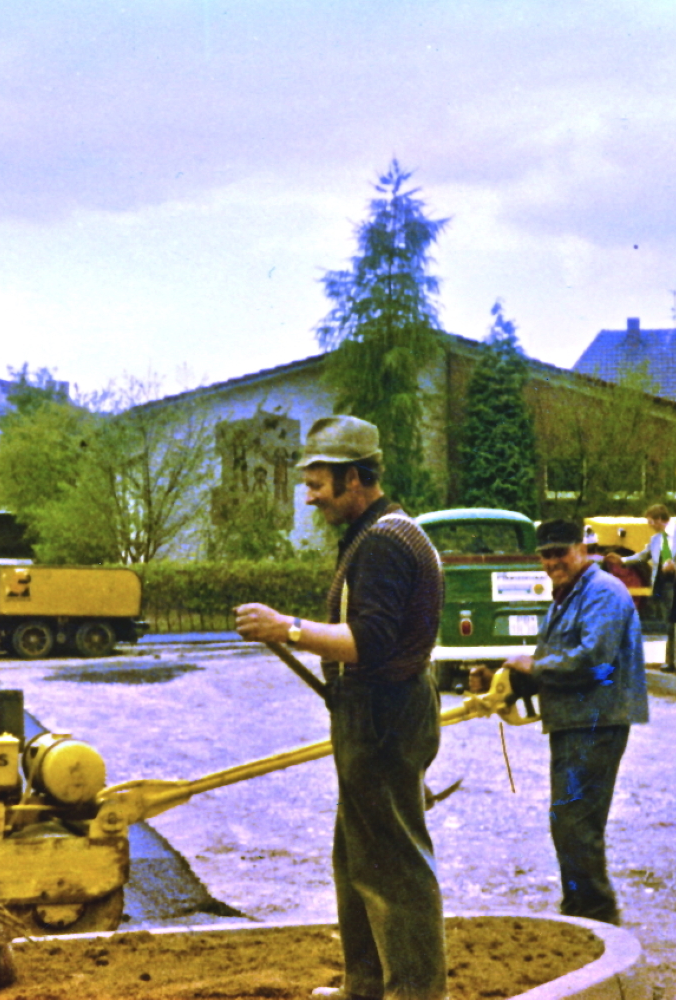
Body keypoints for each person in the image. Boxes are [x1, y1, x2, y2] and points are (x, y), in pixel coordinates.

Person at [234, 416, 446, 1000]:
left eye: (318, 482)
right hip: (379, 711)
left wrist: (288, 628)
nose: (309, 496)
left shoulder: (382, 543)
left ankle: (415, 993)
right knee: (358, 859)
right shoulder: (387, 532)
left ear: (355, 478)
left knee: (394, 867)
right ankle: (368, 986)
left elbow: (370, 640)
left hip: (381, 715)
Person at [505, 519, 649, 926]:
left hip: (596, 721)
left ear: (581, 549)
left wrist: (532, 668)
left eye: (561, 552)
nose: (553, 562)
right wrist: (512, 681)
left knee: (576, 824)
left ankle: (599, 918)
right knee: (567, 822)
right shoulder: (568, 597)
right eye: (546, 555)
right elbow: (557, 661)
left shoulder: (602, 592)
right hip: (574, 721)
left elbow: (594, 661)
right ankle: (580, 913)